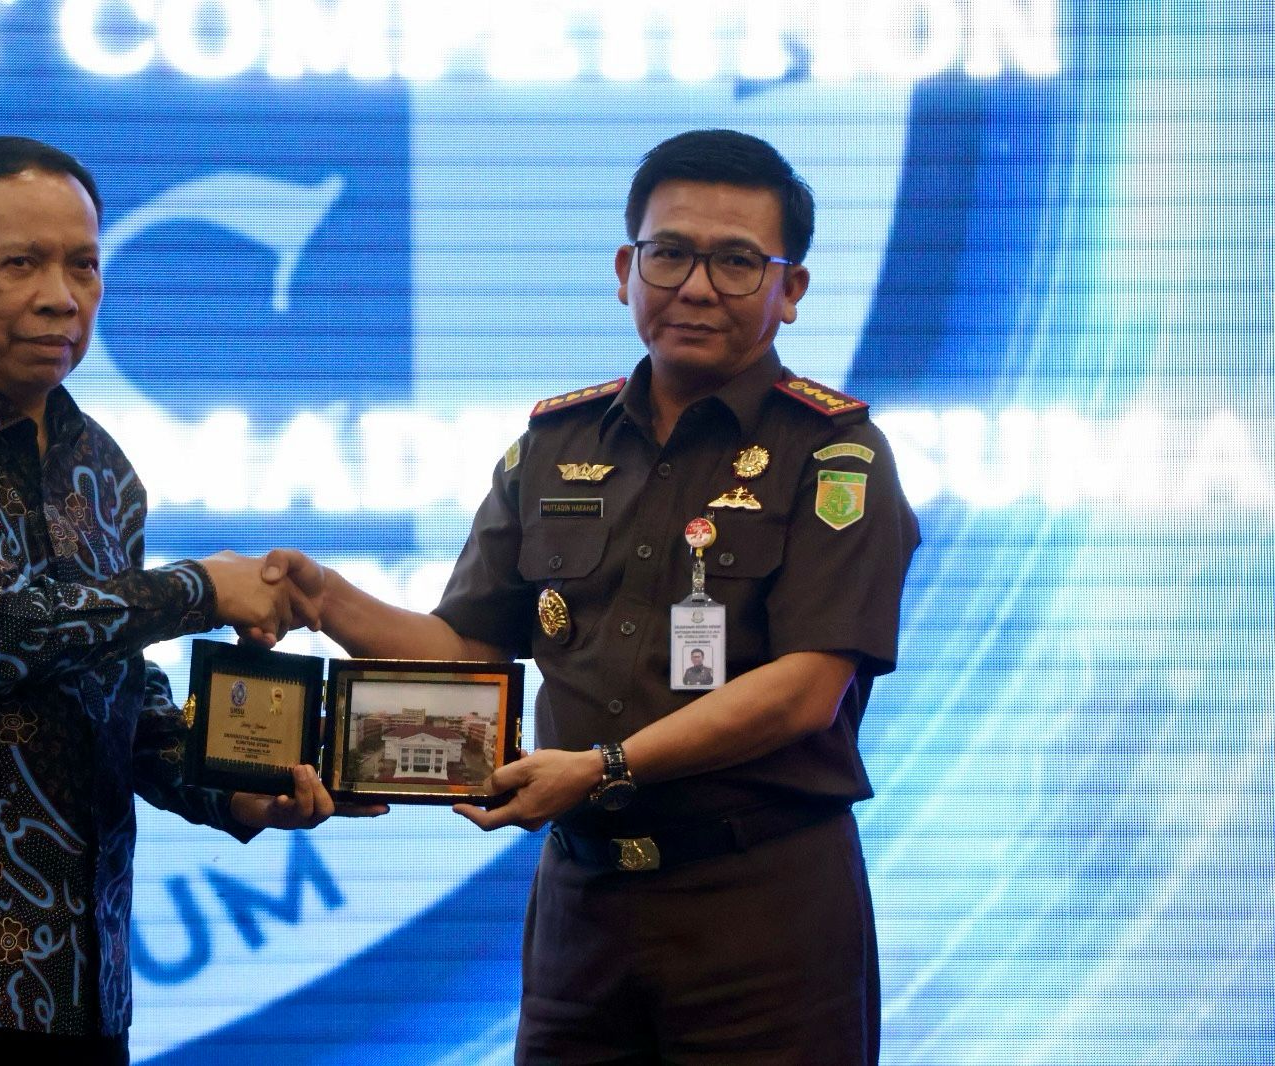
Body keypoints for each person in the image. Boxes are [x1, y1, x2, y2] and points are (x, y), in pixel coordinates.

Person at [270, 129, 920, 1063]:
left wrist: (602, 767)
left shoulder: (835, 453)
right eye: (671, 253)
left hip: (762, 910)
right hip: (583, 909)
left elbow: (807, 690)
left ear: (791, 290)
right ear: (626, 270)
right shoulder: (553, 444)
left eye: (738, 262)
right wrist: (323, 596)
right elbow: (466, 648)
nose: (697, 286)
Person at [0, 136, 377, 1066]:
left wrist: (236, 791)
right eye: (20, 264)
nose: (60, 297)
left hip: (81, 984)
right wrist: (201, 589)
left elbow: (117, 697)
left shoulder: (104, 470)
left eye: (83, 266)